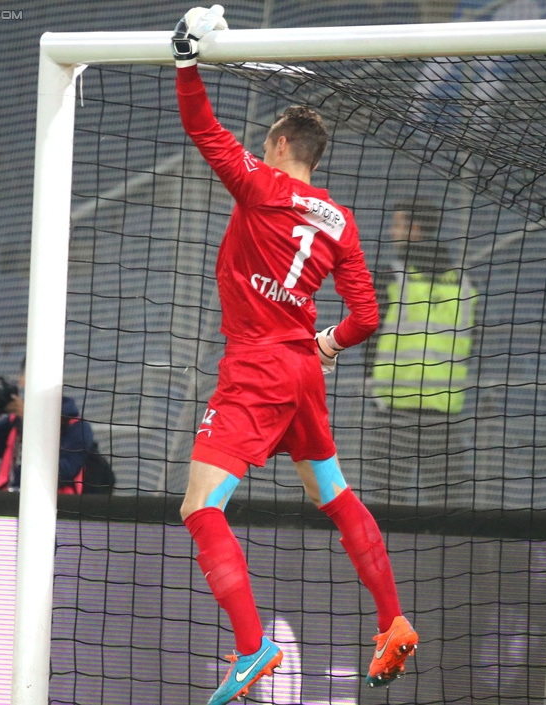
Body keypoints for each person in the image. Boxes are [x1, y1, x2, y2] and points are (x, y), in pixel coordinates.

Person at [170, 7, 418, 704]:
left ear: (279, 143)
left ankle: (252, 647)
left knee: (200, 506)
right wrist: (329, 343)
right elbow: (368, 315)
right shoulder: (340, 220)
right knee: (332, 494)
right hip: (304, 370)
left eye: (265, 140)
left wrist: (187, 61)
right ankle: (393, 618)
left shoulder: (258, 183)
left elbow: (202, 129)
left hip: (256, 367)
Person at [363, 200, 477, 506]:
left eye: (398, 224)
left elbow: (367, 333)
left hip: (395, 409)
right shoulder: (465, 284)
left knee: (385, 501)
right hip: (444, 411)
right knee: (449, 504)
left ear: (414, 229)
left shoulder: (391, 277)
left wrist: (370, 376)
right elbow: (469, 341)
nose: (391, 231)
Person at [0, 356, 94, 493]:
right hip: (8, 504)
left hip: (51, 507)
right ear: (22, 381)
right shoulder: (12, 422)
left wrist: (30, 421)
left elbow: (61, 471)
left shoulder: (76, 427)